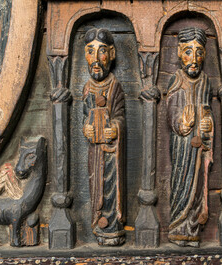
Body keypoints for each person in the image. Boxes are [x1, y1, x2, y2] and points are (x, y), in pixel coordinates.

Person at [166, 27, 213, 247]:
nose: (193, 59)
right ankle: (178, 226)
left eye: (198, 52)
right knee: (181, 182)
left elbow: (207, 111)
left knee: (197, 188)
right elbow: (171, 113)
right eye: (188, 52)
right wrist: (181, 124)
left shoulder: (204, 81)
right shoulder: (176, 80)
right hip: (182, 144)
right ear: (178, 53)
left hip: (199, 145)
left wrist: (207, 123)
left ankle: (192, 228)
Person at [82, 28, 125, 246]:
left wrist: (116, 128)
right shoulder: (88, 88)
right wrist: (86, 129)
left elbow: (120, 116)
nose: (96, 59)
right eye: (91, 52)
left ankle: (114, 228)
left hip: (111, 152)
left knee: (112, 188)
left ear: (112, 53)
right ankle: (98, 226)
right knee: (96, 186)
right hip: (95, 151)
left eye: (102, 52)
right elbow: (85, 117)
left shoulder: (115, 85)